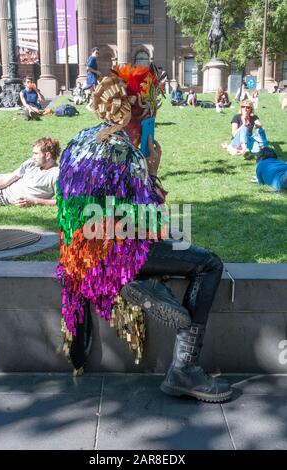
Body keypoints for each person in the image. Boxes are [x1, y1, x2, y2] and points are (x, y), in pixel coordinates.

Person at [56, 64, 232, 403]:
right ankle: (184, 368)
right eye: (149, 116)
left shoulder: (78, 139)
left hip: (78, 258)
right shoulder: (128, 152)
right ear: (137, 117)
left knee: (166, 245)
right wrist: (152, 171)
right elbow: (149, 222)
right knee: (207, 262)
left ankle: (150, 284)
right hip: (115, 256)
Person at [0, 137, 60, 207]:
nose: (33, 157)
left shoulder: (56, 175)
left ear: (47, 155)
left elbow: (63, 201)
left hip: (1, 196)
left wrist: (35, 201)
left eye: (36, 154)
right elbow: (7, 180)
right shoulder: (32, 163)